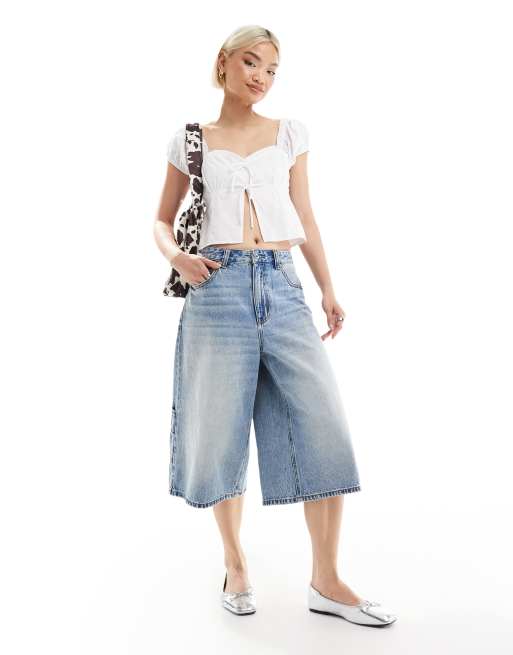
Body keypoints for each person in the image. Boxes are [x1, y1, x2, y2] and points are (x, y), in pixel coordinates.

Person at [154, 25, 397, 626]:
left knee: (323, 423)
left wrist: (328, 288)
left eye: (271, 68)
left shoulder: (290, 133)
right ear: (223, 63)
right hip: (216, 290)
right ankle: (235, 565)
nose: (261, 76)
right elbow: (160, 219)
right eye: (250, 62)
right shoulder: (190, 140)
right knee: (220, 430)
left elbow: (304, 214)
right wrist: (177, 256)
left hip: (283, 286)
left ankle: (327, 580)